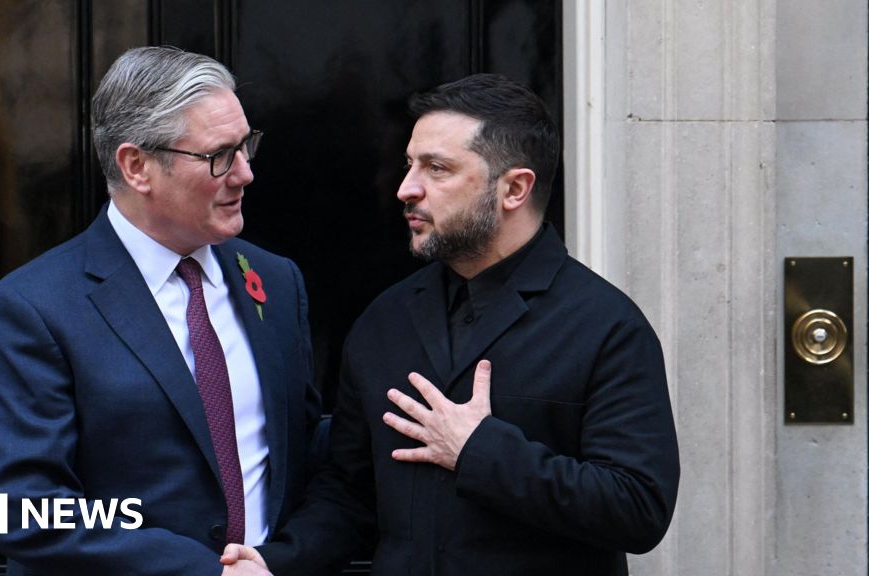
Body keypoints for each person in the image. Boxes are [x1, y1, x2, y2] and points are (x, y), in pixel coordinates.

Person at [223, 74, 680, 575]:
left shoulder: (606, 326)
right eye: (409, 165)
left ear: (514, 189)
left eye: (437, 168)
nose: (406, 189)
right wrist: (277, 562)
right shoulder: (385, 320)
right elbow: (350, 494)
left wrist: (479, 449)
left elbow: (639, 508)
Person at [0, 46, 320, 575]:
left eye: (246, 147)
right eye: (219, 155)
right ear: (137, 166)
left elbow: (306, 456)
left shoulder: (274, 280)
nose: (245, 173)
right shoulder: (33, 308)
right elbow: (23, 510)